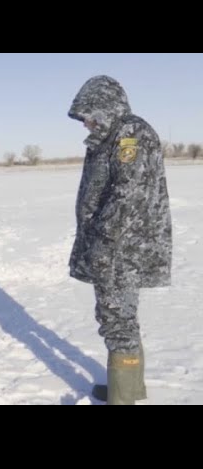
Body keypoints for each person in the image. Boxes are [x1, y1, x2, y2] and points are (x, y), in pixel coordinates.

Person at [68, 75, 172, 405]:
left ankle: (122, 398)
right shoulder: (110, 136)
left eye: (89, 114)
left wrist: (103, 243)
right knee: (120, 317)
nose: (86, 123)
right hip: (113, 245)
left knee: (117, 320)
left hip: (121, 248)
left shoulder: (130, 134)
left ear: (106, 107)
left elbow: (127, 196)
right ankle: (125, 388)